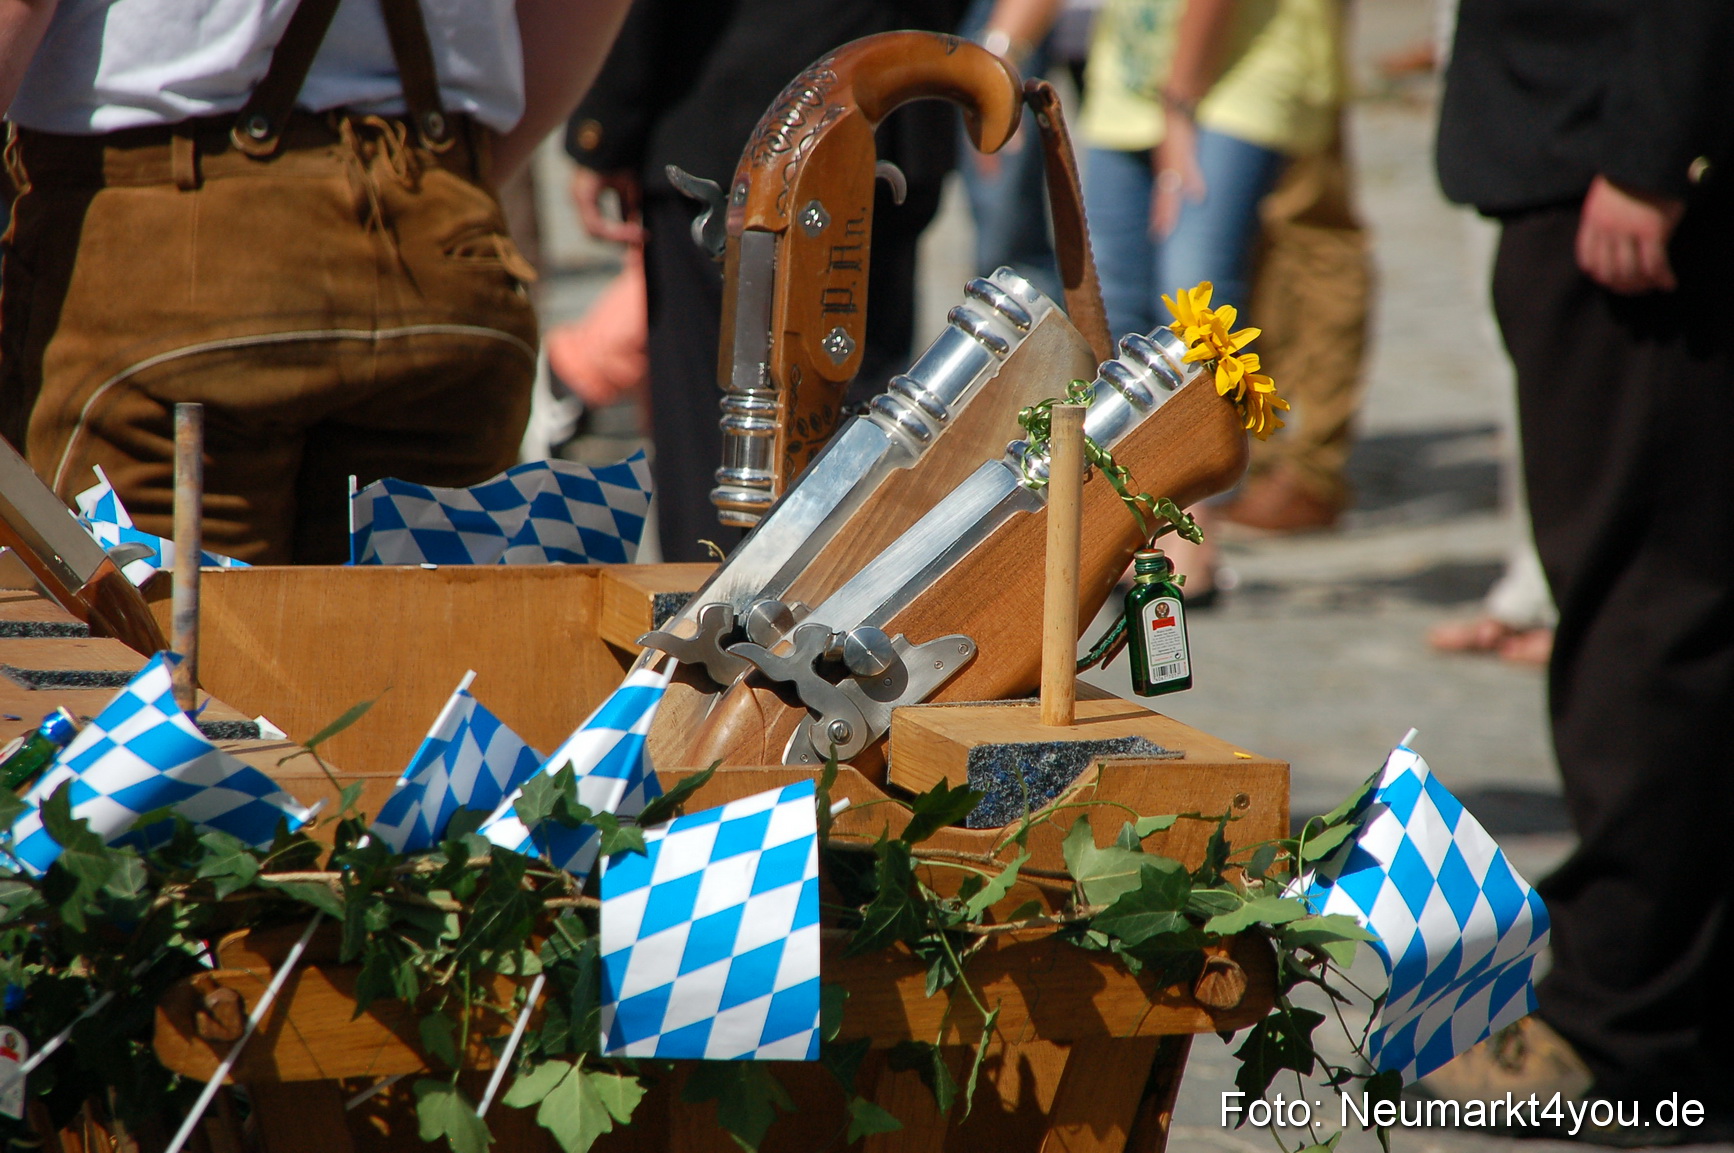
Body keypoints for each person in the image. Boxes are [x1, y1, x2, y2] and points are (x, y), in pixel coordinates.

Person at [0, 0, 631, 564]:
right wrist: (459, 188)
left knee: (156, 666)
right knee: (411, 670)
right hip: (442, 228)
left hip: (165, 245)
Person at [1425, 0, 1734, 1132]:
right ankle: (1674, 998)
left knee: (1646, 607)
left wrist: (1657, 150)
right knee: (1654, 592)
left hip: (1624, 163)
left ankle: (1622, 1017)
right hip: (1603, 146)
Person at [565, 0, 966, 564]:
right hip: (890, 114)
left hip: (739, 114)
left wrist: (604, 128)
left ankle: (724, 638)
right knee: (829, 428)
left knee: (731, 434)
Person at [1076, 0, 1348, 592]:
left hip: (1233, 73)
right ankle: (1129, 518)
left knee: (1196, 301)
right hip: (1129, 78)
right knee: (1113, 301)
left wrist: (1179, 105)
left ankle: (1194, 522)